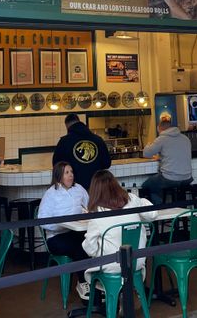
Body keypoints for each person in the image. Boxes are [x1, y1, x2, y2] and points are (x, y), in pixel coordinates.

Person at [81, 170, 157, 287]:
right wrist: (141, 201)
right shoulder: (131, 199)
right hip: (137, 262)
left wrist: (100, 251)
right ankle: (128, 291)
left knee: (93, 264)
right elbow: (152, 214)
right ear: (115, 184)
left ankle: (111, 296)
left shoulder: (97, 213)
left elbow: (90, 249)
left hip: (112, 265)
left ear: (95, 191)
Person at [38, 162, 91, 299]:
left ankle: (93, 280)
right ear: (58, 175)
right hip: (56, 238)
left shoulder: (79, 189)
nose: (71, 175)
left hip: (76, 232)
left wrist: (86, 213)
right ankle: (83, 282)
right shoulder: (51, 194)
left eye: (71, 172)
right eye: (67, 172)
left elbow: (90, 207)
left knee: (91, 241)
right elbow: (42, 220)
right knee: (79, 246)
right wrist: (62, 225)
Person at [52, 114, 111, 190]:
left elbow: (57, 166)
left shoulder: (64, 142)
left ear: (67, 126)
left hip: (75, 190)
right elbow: (107, 164)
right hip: (97, 189)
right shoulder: (98, 140)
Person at [141, 120, 193, 204]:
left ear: (159, 128)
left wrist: (147, 144)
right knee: (178, 188)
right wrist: (161, 157)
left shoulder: (162, 139)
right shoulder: (185, 138)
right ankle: (181, 210)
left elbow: (146, 154)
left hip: (170, 178)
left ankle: (159, 210)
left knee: (147, 186)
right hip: (187, 178)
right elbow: (176, 154)